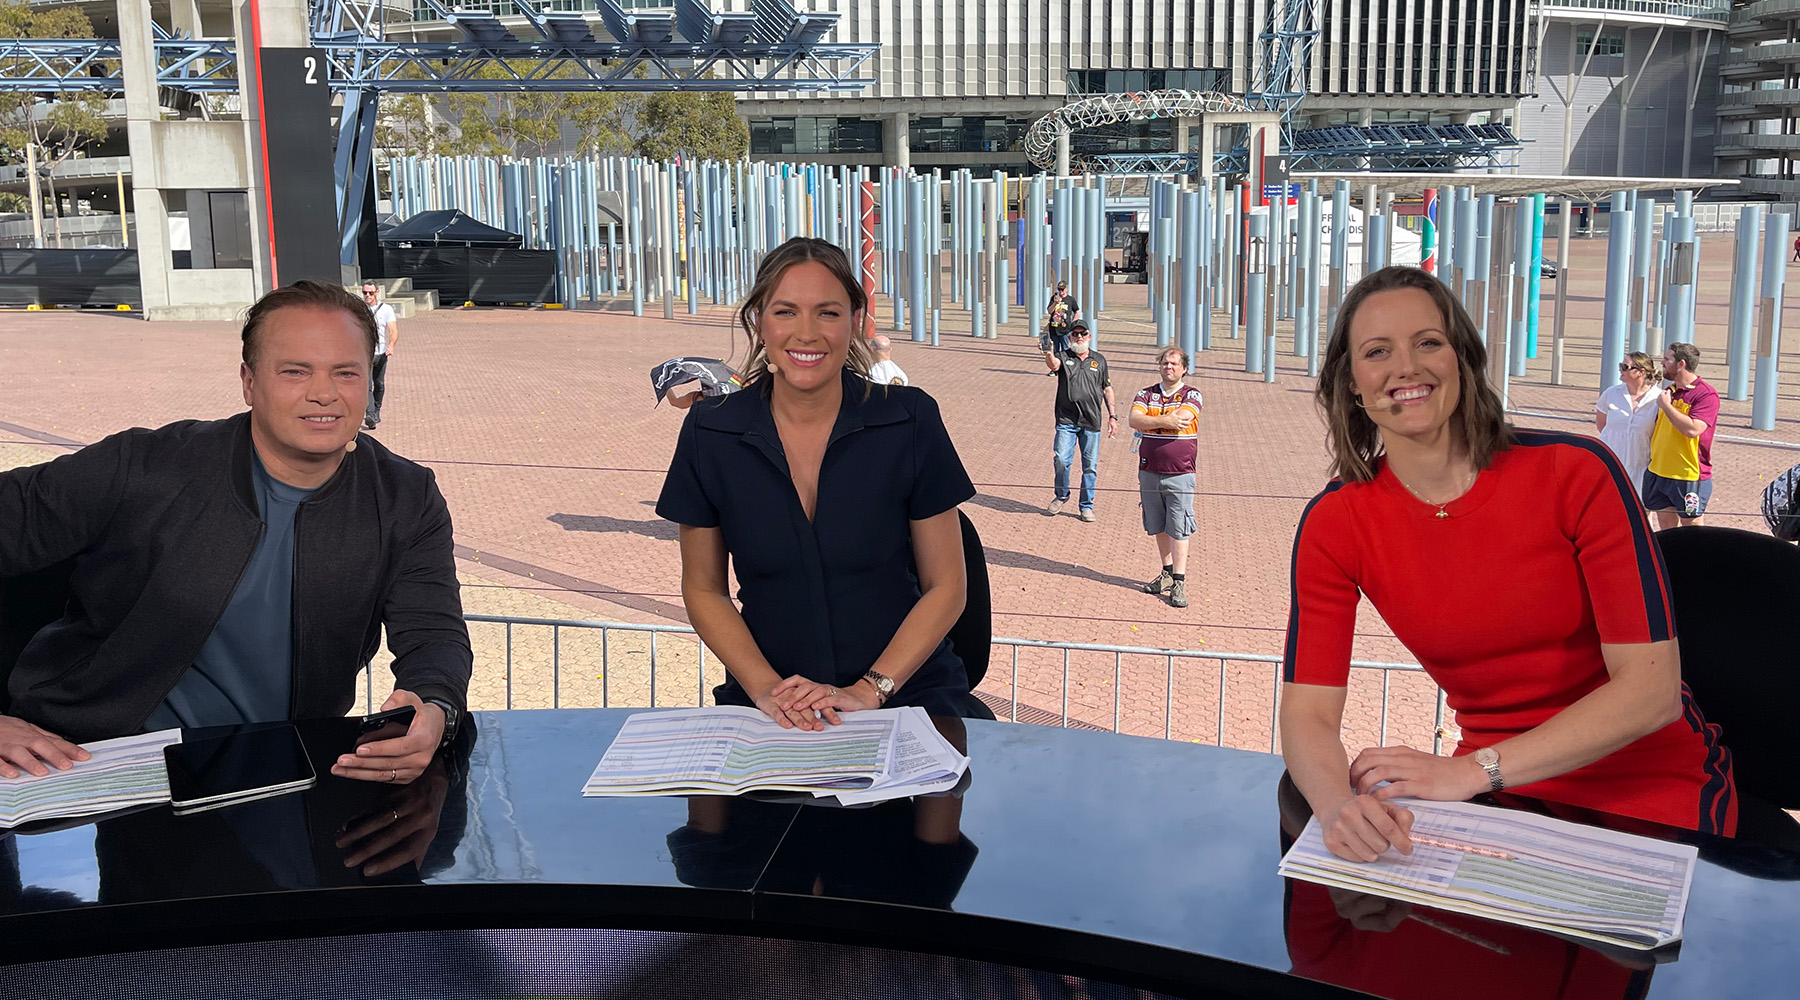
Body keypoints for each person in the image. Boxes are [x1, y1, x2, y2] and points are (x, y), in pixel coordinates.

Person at [1281, 266, 1735, 865]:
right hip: (1500, 795)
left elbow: (1651, 694)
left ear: (1463, 360)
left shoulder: (1576, 473)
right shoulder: (1335, 522)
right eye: (1376, 352)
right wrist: (1338, 806)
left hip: (1648, 787)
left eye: (1428, 343)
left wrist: (1472, 771)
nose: (1405, 368)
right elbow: (1308, 712)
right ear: (1352, 386)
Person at [0, 280, 471, 783]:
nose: (324, 393)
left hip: (285, 775)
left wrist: (434, 708)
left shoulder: (406, 496)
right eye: (295, 371)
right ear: (248, 382)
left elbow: (434, 634)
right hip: (100, 770)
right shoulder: (143, 467)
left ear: (370, 382)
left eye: (346, 372)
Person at [658, 237, 979, 728]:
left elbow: (948, 586)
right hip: (772, 705)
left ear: (855, 321)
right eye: (786, 312)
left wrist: (869, 691)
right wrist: (766, 689)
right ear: (758, 321)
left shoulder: (910, 419)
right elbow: (704, 589)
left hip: (906, 697)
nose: (806, 334)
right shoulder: (710, 433)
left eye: (827, 313)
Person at [1128, 347, 1203, 608]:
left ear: (1184, 368)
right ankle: (1166, 573)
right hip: (1149, 469)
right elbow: (1134, 419)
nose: (1168, 367)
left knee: (1179, 525)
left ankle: (1179, 581)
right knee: (1158, 524)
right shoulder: (1145, 393)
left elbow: (1183, 418)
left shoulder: (1192, 394)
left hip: (1180, 471)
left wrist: (1151, 419)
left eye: (1173, 363)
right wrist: (1164, 419)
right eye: (1164, 363)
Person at [1043, 321, 1116, 522]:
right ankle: (1062, 495)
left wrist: (1113, 416)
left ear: (1089, 336)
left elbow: (1107, 388)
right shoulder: (1063, 356)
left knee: (1090, 466)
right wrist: (1048, 353)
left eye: (1083, 333)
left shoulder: (1099, 360)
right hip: (1066, 420)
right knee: (1061, 459)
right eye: (1075, 334)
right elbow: (1054, 365)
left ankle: (1086, 506)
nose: (1079, 337)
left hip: (1092, 421)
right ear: (1069, 338)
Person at [1641, 342, 1719, 529]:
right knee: (1666, 529)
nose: (1662, 363)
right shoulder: (1669, 392)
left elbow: (1693, 430)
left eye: (1667, 359)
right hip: (1659, 471)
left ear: (1681, 364)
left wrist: (1667, 407)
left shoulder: (1705, 394)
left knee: (1691, 529)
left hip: (1688, 475)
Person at [1593, 351, 1660, 494]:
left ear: (1641, 372)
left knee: (1642, 512)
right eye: (1620, 365)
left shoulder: (1659, 399)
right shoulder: (1611, 393)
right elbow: (1601, 425)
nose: (1620, 370)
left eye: (1625, 366)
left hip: (1642, 465)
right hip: (1611, 463)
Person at [360, 281, 399, 429]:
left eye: (370, 293)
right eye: (365, 293)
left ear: (377, 292)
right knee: (367, 384)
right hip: (366, 353)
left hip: (382, 353)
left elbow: (393, 331)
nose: (367, 296)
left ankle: (376, 410)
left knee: (380, 384)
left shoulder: (386, 309)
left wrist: (391, 345)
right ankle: (370, 415)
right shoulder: (360, 310)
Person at [1042, 279, 1080, 363]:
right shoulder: (1054, 298)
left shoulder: (1070, 299)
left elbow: (1077, 311)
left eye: (1062, 289)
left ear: (1066, 289)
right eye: (1059, 289)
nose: (1061, 292)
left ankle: (1065, 366)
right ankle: (1055, 368)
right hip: (1054, 328)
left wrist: (1073, 322)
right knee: (1055, 349)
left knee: (1065, 348)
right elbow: (1049, 311)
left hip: (1065, 329)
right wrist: (1055, 303)